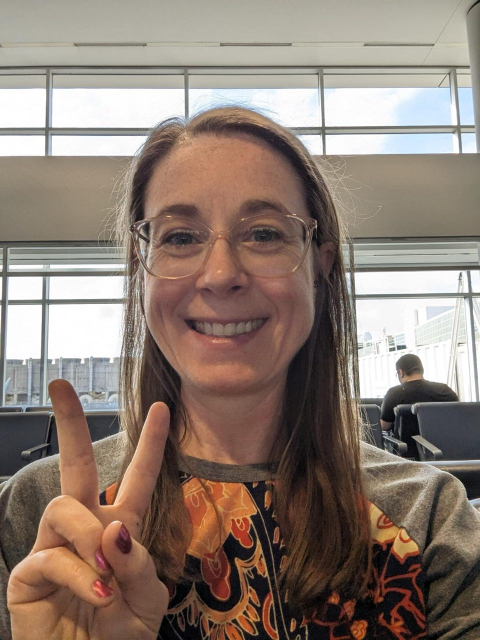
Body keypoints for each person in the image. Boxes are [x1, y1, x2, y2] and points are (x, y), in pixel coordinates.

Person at [1, 107, 479, 640]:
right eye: (180, 238)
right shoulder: (44, 519)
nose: (222, 274)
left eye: (265, 234)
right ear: (142, 272)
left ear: (319, 268)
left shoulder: (426, 518)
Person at [380, 353, 459, 459]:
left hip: (409, 455)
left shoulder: (395, 393)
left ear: (400, 372)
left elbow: (384, 426)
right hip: (448, 451)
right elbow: (458, 418)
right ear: (421, 370)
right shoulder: (445, 391)